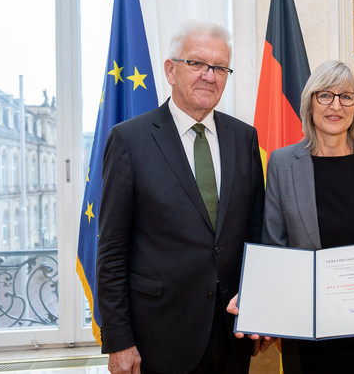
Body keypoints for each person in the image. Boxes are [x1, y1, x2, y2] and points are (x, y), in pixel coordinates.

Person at [97, 20, 265, 374]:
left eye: (220, 67)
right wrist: (119, 340)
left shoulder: (244, 138)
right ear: (170, 70)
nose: (209, 75)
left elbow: (256, 235)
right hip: (158, 337)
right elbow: (111, 250)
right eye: (196, 63)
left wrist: (263, 310)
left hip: (232, 335)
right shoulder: (130, 140)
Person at [228, 60, 354, 373]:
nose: (335, 105)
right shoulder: (283, 163)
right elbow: (274, 244)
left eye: (346, 97)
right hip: (305, 324)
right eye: (324, 95)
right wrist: (262, 300)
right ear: (310, 103)